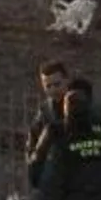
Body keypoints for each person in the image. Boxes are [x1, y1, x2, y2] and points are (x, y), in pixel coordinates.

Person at [25, 61, 73, 190]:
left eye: (57, 84)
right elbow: (32, 144)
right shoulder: (44, 112)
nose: (53, 90)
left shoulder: (81, 106)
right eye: (48, 86)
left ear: (66, 80)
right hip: (52, 180)